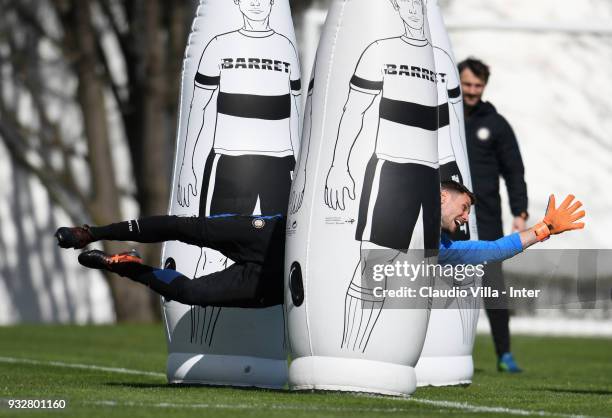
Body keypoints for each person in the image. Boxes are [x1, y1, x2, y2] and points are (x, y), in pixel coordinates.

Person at [54, 182, 585, 317]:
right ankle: (93, 232)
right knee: (189, 228)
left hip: (292, 277)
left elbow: (485, 253)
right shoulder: (399, 185)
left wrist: (541, 231)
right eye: (464, 206)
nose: (467, 218)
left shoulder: (435, 245)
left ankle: (126, 268)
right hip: (277, 233)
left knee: (192, 295)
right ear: (443, 192)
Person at [459, 57, 529, 372]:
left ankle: (505, 354)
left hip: (485, 217)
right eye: (467, 84)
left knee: (492, 285)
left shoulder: (496, 124)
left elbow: (514, 170)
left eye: (477, 86)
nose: (471, 91)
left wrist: (520, 211)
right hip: (447, 218)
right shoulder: (442, 115)